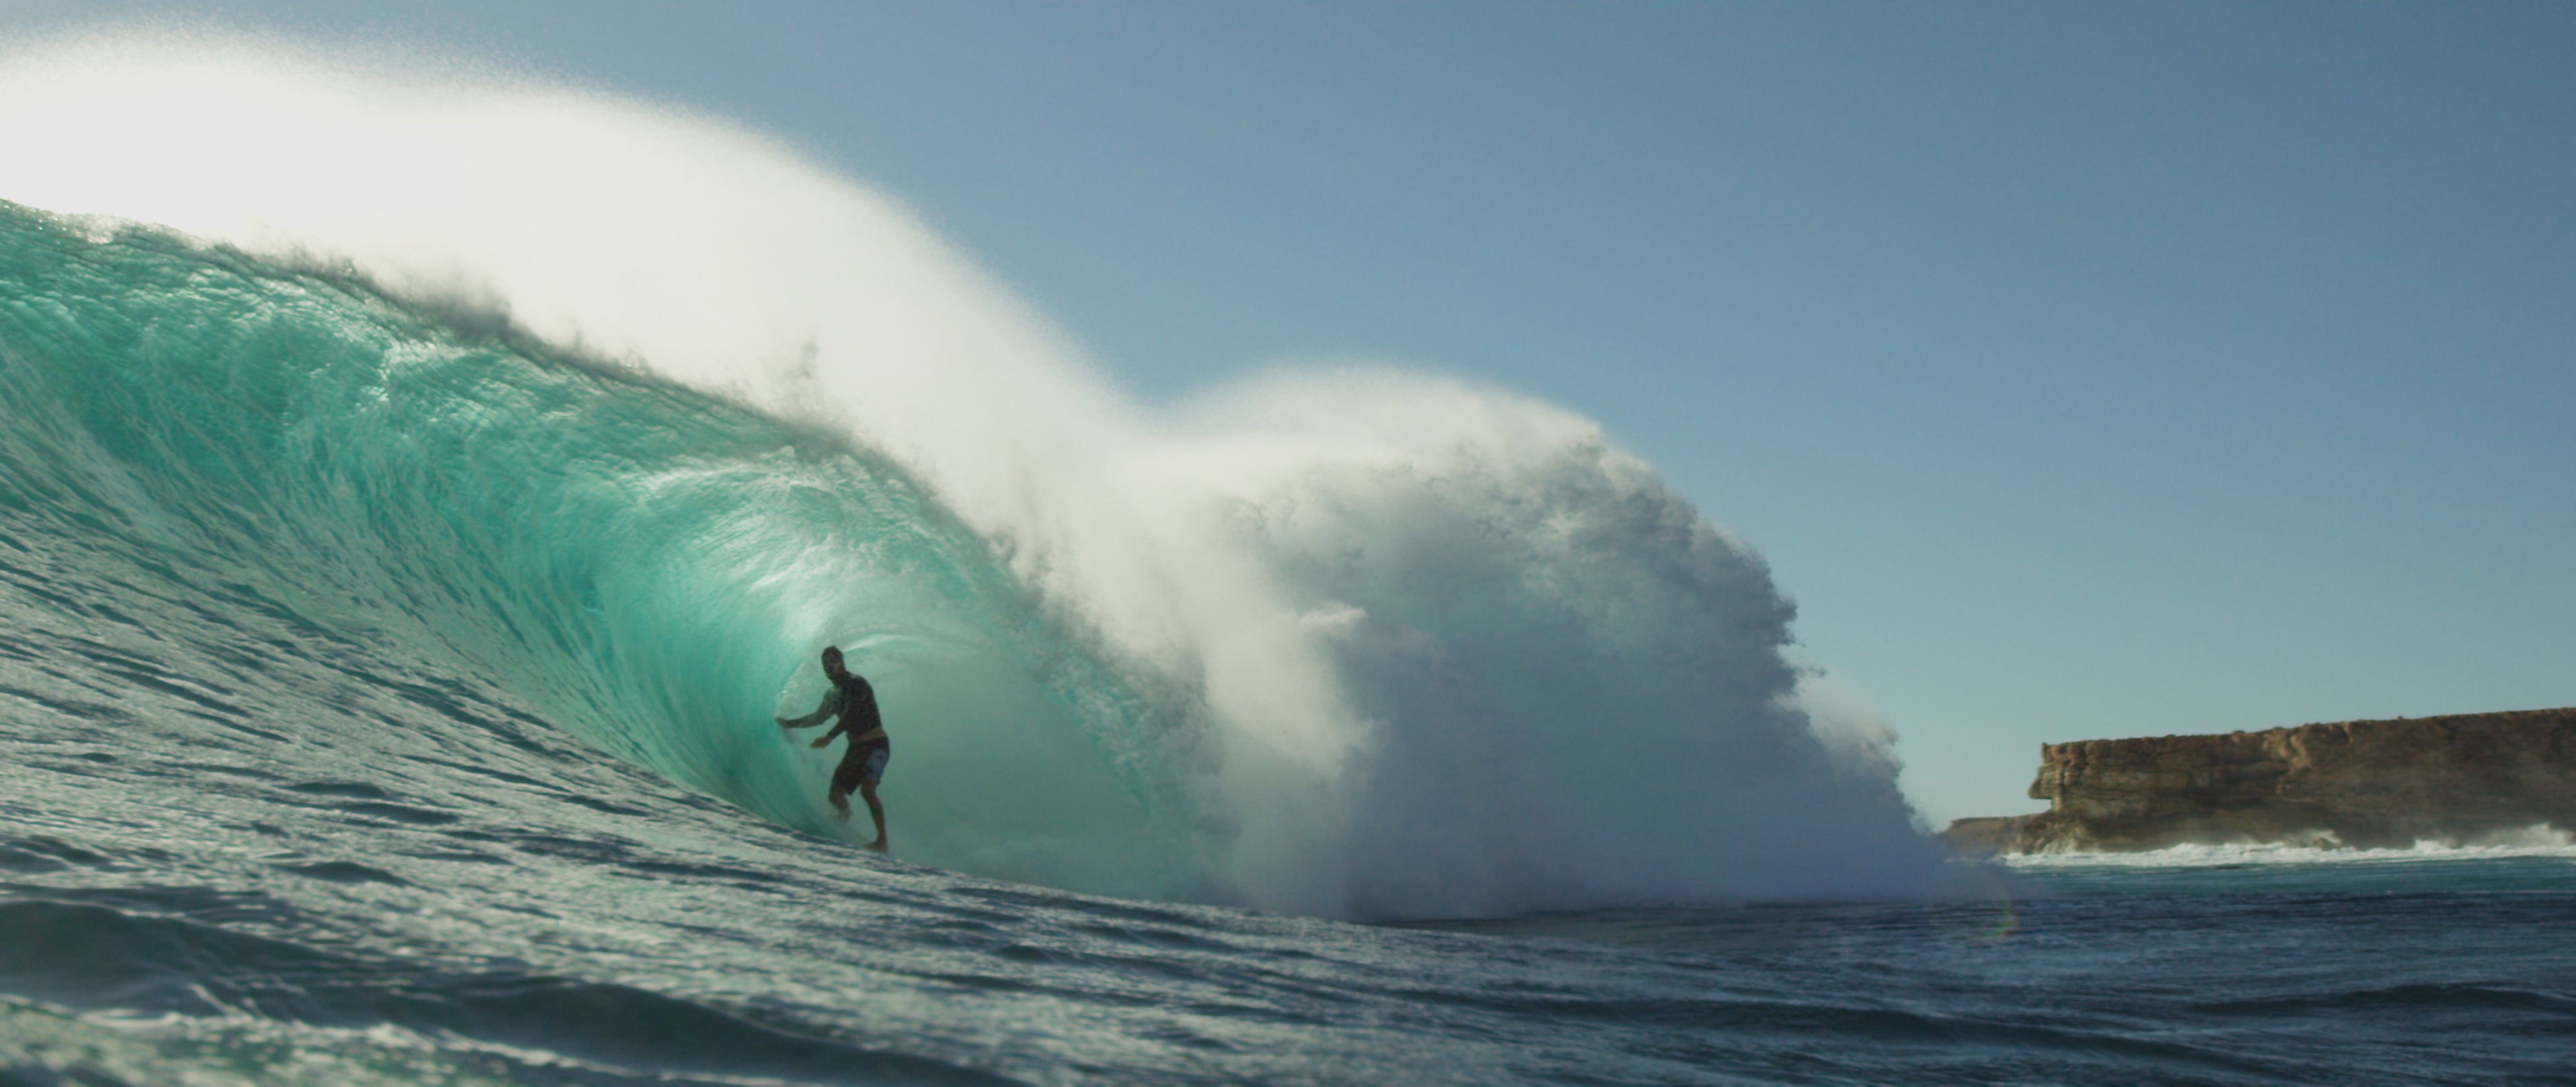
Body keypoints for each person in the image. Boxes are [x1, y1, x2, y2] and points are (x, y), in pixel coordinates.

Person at [776, 645, 890, 851]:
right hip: (856, 748)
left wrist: (830, 736)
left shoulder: (857, 683)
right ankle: (843, 822)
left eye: (833, 662)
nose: (829, 667)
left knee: (868, 790)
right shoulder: (833, 694)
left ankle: (882, 842)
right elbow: (818, 718)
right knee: (835, 796)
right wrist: (788, 723)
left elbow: (853, 713)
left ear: (842, 662)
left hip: (875, 744)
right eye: (826, 664)